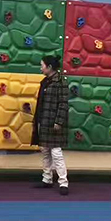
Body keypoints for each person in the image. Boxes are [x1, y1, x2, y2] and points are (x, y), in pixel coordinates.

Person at [31, 55, 69, 195]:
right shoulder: (45, 82)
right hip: (44, 122)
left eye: (42, 65)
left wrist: (58, 122)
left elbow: (63, 104)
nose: (41, 68)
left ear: (49, 67)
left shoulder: (61, 82)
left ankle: (63, 183)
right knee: (45, 151)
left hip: (54, 123)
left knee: (56, 153)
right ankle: (47, 179)